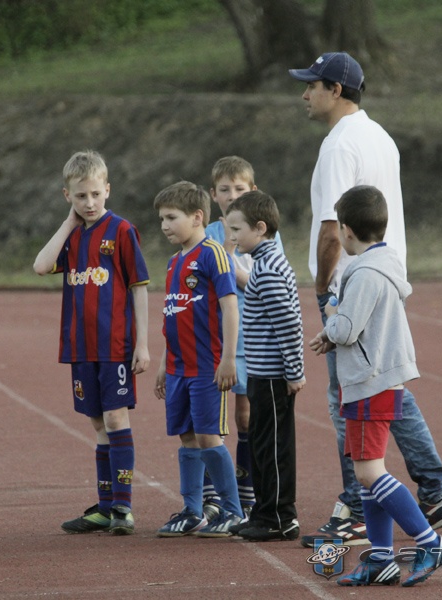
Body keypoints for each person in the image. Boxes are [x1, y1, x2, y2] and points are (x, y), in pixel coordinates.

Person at [288, 52, 442, 547]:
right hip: (386, 272)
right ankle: (434, 489)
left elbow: (331, 228)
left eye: (312, 85)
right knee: (386, 386)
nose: (305, 94)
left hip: (352, 283)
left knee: (349, 395)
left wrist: (324, 288)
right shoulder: (379, 135)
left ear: (335, 90)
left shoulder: (339, 144)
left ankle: (358, 504)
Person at [308, 185, 442, 586]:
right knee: (366, 474)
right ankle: (380, 558)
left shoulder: (364, 273)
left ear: (346, 231)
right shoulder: (385, 264)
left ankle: (430, 542)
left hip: (369, 381)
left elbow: (347, 326)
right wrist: (334, 334)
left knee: (370, 472)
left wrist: (332, 316)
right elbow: (362, 326)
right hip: (375, 380)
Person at [33, 150, 150, 536]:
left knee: (116, 418)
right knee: (98, 423)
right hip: (80, 347)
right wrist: (68, 223)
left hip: (114, 345)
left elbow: (139, 287)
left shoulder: (121, 231)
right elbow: (40, 266)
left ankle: (123, 506)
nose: (89, 203)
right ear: (67, 195)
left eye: (96, 194)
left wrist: (142, 344)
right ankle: (104, 505)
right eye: (81, 196)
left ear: (108, 190)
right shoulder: (71, 236)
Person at [153, 181, 245, 537]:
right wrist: (164, 364)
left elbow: (230, 307)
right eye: (162, 219)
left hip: (207, 367)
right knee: (187, 437)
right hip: (178, 368)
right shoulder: (173, 262)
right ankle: (192, 511)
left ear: (197, 217)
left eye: (171, 217)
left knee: (209, 438)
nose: (164, 225)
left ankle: (233, 511)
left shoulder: (212, 254)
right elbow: (172, 315)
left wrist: (228, 358)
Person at [202, 156, 285, 519]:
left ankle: (247, 492)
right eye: (224, 189)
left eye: (239, 188)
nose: (232, 195)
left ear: (253, 190)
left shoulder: (267, 234)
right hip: (215, 336)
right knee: (209, 416)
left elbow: (260, 282)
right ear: (213, 194)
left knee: (246, 415)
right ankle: (212, 496)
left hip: (253, 336)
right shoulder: (206, 232)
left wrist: (230, 257)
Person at [223, 190, 305, 542]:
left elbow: (288, 325)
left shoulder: (268, 270)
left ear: (260, 228)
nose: (232, 237)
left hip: (272, 376)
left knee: (272, 447)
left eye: (237, 229)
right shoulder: (263, 263)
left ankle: (279, 517)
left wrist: (294, 372)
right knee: (261, 443)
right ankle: (264, 511)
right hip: (261, 372)